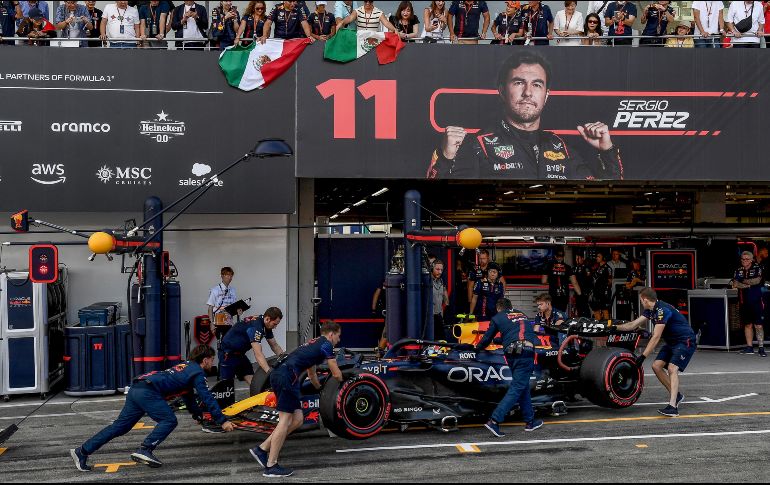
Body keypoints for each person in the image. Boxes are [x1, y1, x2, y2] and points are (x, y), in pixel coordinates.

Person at [427, 50, 623, 180]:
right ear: (502, 91)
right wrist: (445, 157)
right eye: (519, 82)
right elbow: (437, 205)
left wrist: (607, 152)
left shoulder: (561, 148)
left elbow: (605, 198)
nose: (528, 92)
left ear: (546, 95)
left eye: (537, 84)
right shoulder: (479, 145)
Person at [70, 345, 235, 472]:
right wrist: (222, 421)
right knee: (169, 420)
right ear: (205, 360)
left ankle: (82, 451)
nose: (213, 363)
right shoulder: (198, 373)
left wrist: (199, 416)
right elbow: (207, 397)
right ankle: (145, 449)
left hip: (137, 388)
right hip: (148, 392)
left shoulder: (186, 367)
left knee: (120, 427)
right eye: (212, 359)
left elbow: (189, 398)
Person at [249, 321, 343, 478]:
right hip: (286, 376)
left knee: (298, 419)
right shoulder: (326, 345)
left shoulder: (313, 344)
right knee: (285, 421)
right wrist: (344, 381)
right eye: (338, 336)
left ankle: (262, 449)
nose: (339, 340)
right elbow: (336, 374)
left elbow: (312, 374)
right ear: (331, 334)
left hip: (282, 375)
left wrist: (319, 389)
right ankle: (271, 465)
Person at [613, 288, 696, 417]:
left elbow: (656, 336)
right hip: (672, 342)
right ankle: (677, 396)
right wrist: (613, 327)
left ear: (645, 300)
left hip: (685, 340)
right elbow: (632, 325)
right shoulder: (650, 310)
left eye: (641, 301)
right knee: (656, 366)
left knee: (672, 368)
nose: (641, 303)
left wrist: (643, 356)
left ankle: (673, 407)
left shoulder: (662, 310)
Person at [475, 298, 543, 437]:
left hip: (511, 354)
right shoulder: (522, 315)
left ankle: (529, 421)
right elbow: (525, 334)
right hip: (526, 352)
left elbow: (486, 339)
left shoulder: (498, 317)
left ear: (499, 308)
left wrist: (476, 349)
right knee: (519, 386)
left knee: (521, 386)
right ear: (511, 306)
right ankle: (494, 420)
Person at [219, 307, 285, 385]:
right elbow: (258, 354)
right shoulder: (256, 327)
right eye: (274, 324)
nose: (275, 327)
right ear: (267, 319)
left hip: (240, 354)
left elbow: (274, 346)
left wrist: (285, 360)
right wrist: (269, 372)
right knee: (227, 386)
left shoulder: (266, 324)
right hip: (227, 353)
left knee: (254, 383)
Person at [732, 251, 765, 356]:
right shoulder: (738, 270)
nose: (744, 261)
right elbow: (735, 283)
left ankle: (761, 348)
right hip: (743, 301)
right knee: (747, 324)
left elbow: (757, 281)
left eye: (747, 259)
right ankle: (749, 347)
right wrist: (747, 284)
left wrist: (742, 280)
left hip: (756, 301)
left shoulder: (757, 268)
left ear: (751, 260)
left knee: (758, 325)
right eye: (743, 259)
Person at [541, 248, 580, 314]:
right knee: (561, 313)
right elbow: (574, 282)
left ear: (555, 256)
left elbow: (543, 281)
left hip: (553, 293)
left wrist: (552, 282)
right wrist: (579, 294)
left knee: (553, 312)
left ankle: (554, 320)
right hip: (564, 294)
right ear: (563, 256)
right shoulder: (568, 267)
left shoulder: (549, 266)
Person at [430, 259, 449, 340]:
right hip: (430, 317)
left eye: (441, 270)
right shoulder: (427, 281)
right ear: (432, 269)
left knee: (442, 340)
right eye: (437, 269)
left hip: (439, 315)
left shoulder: (441, 281)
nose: (440, 272)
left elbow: (446, 301)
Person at [591, 252, 613, 320]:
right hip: (596, 292)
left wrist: (605, 289)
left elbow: (610, 281)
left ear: (603, 258)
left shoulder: (608, 268)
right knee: (595, 309)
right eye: (596, 256)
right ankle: (598, 324)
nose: (596, 258)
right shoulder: (597, 267)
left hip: (604, 292)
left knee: (605, 309)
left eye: (599, 256)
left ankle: (607, 325)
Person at [573, 253, 593, 317]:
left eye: (578, 258)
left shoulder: (586, 267)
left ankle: (587, 320)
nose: (577, 260)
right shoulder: (575, 268)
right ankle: (581, 319)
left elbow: (589, 279)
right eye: (576, 258)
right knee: (579, 307)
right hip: (577, 291)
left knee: (585, 307)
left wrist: (587, 290)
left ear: (582, 258)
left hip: (584, 291)